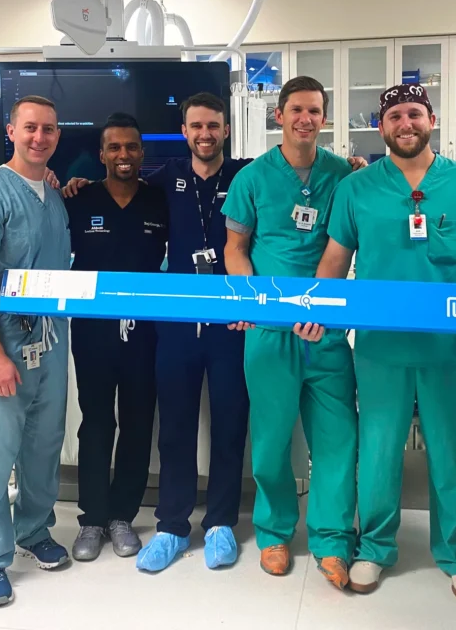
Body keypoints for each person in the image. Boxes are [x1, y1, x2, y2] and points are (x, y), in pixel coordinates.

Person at [296, 83, 456, 602]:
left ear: (431, 119)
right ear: (381, 126)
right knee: (381, 451)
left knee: (452, 450)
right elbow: (336, 258)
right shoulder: (357, 189)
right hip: (380, 346)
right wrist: (317, 308)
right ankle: (375, 547)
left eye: (414, 113)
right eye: (394, 116)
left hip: (446, 346)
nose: (404, 123)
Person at [221, 75, 359, 591]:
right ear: (278, 115)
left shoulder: (343, 175)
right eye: (296, 109)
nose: (305, 119)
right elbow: (235, 248)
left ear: (324, 118)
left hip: (324, 328)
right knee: (272, 443)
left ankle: (330, 539)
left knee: (337, 441)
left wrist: (320, 306)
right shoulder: (253, 178)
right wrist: (253, 302)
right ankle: (275, 531)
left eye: (315, 111)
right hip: (271, 329)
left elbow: (345, 245)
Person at [0, 95, 72, 608]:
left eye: (48, 129)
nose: (39, 137)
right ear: (11, 131)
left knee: (44, 445)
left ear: (57, 136)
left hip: (47, 342)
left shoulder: (53, 194)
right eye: (30, 128)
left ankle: (34, 529)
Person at [134, 92, 252, 572]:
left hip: (231, 323)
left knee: (229, 423)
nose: (205, 134)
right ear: (184, 131)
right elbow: (114, 186)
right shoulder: (164, 178)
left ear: (226, 129)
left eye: (214, 126)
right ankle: (172, 527)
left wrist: (348, 163)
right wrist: (75, 182)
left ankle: (221, 523)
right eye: (196, 126)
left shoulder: (247, 175)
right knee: (177, 426)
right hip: (178, 323)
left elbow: (299, 170)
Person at [63, 113, 168, 563]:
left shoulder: (158, 201)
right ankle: (92, 518)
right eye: (114, 148)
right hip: (92, 331)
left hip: (146, 331)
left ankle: (122, 515)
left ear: (142, 153)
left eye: (131, 147)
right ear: (102, 154)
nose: (123, 155)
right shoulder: (79, 199)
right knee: (97, 422)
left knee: (139, 421)